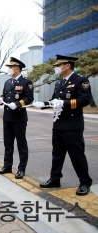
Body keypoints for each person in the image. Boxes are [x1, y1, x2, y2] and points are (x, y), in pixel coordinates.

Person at [33, 54, 92, 196]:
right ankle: (55, 179)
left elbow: (85, 100)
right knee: (57, 154)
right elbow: (55, 100)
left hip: (72, 125)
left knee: (77, 155)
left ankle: (85, 182)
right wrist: (44, 104)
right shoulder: (59, 83)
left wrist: (64, 103)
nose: (56, 68)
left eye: (58, 66)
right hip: (58, 124)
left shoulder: (80, 80)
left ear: (67, 66)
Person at [0, 57, 34, 179]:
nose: (9, 69)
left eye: (11, 67)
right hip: (7, 118)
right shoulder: (8, 82)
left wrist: (17, 104)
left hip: (19, 118)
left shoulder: (26, 82)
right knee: (8, 144)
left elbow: (29, 98)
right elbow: (5, 96)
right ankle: (7, 166)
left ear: (17, 68)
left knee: (21, 144)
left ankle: (21, 169)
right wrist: (1, 100)